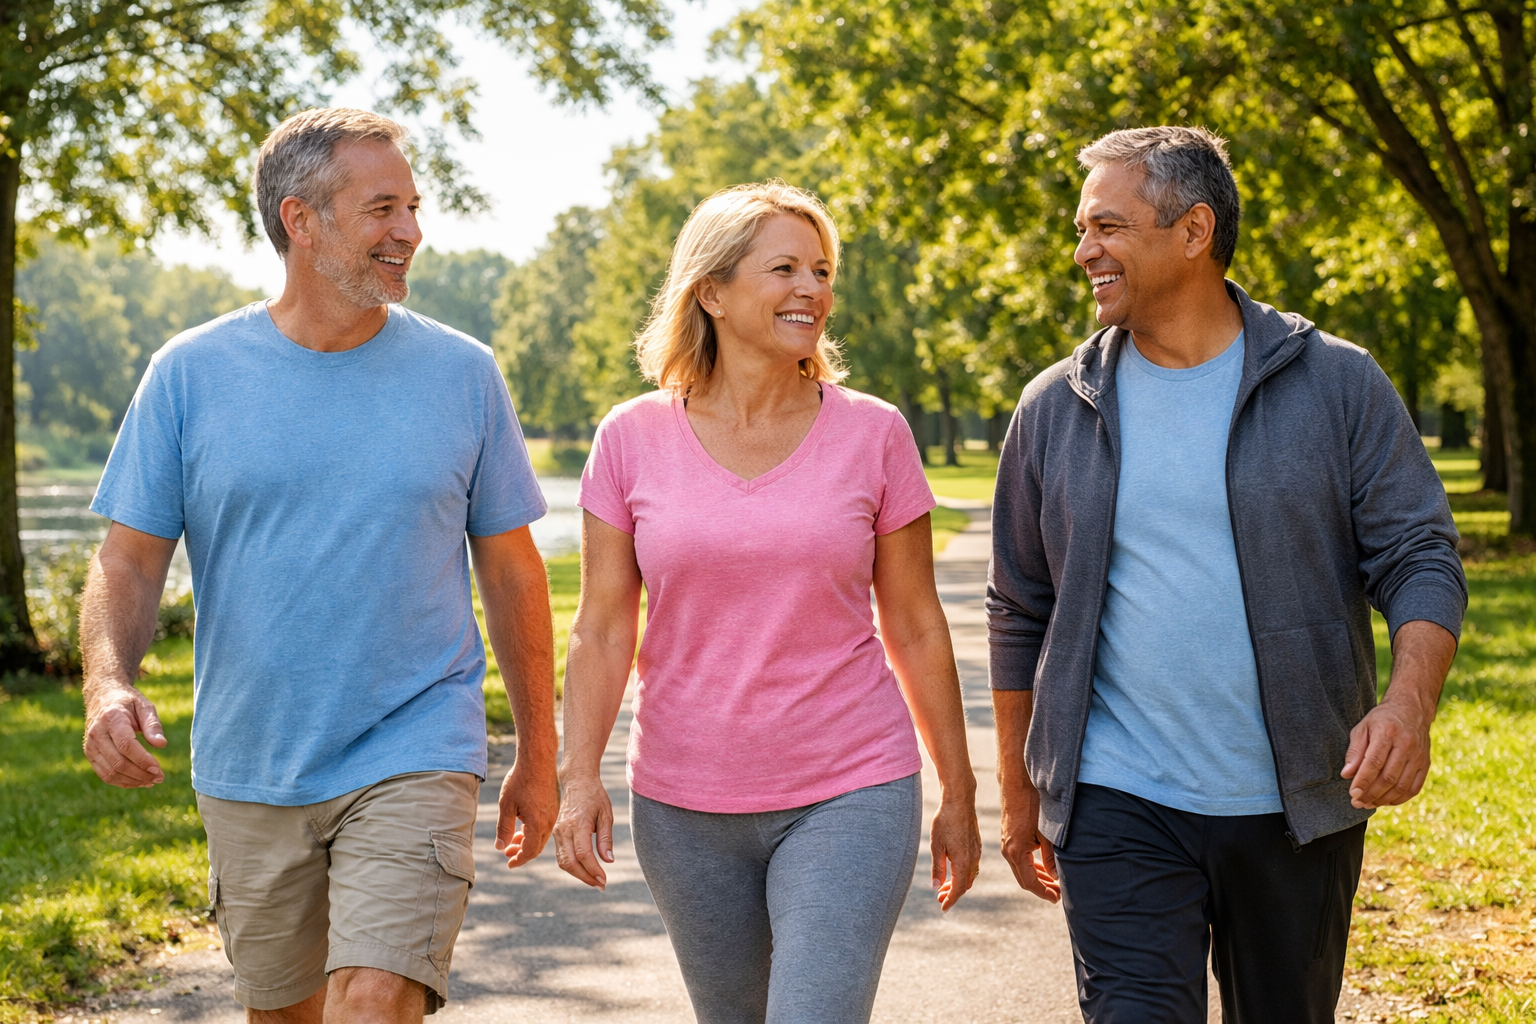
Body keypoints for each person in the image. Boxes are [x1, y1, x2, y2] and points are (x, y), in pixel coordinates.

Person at [78, 108, 559, 1024]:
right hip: (252, 762)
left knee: (372, 1002)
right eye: (383, 208)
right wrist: (108, 682)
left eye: (414, 207)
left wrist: (538, 755)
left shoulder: (463, 375)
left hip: (414, 745)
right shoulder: (189, 374)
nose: (410, 231)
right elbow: (130, 559)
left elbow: (511, 572)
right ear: (301, 220)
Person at [987, 126, 1466, 1023]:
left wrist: (1408, 705)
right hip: (1116, 799)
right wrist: (1023, 797)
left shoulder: (1336, 384)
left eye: (1107, 227)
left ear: (1193, 231)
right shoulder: (1057, 404)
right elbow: (1019, 605)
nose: (1083, 251)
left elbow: (1420, 555)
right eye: (1083, 229)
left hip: (1294, 807)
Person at [550, 181, 982, 1024]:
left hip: (850, 785)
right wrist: (577, 780)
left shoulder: (875, 433)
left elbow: (918, 626)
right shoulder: (630, 438)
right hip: (684, 803)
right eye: (783, 268)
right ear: (710, 292)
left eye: (821, 271)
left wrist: (958, 794)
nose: (812, 290)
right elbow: (602, 628)